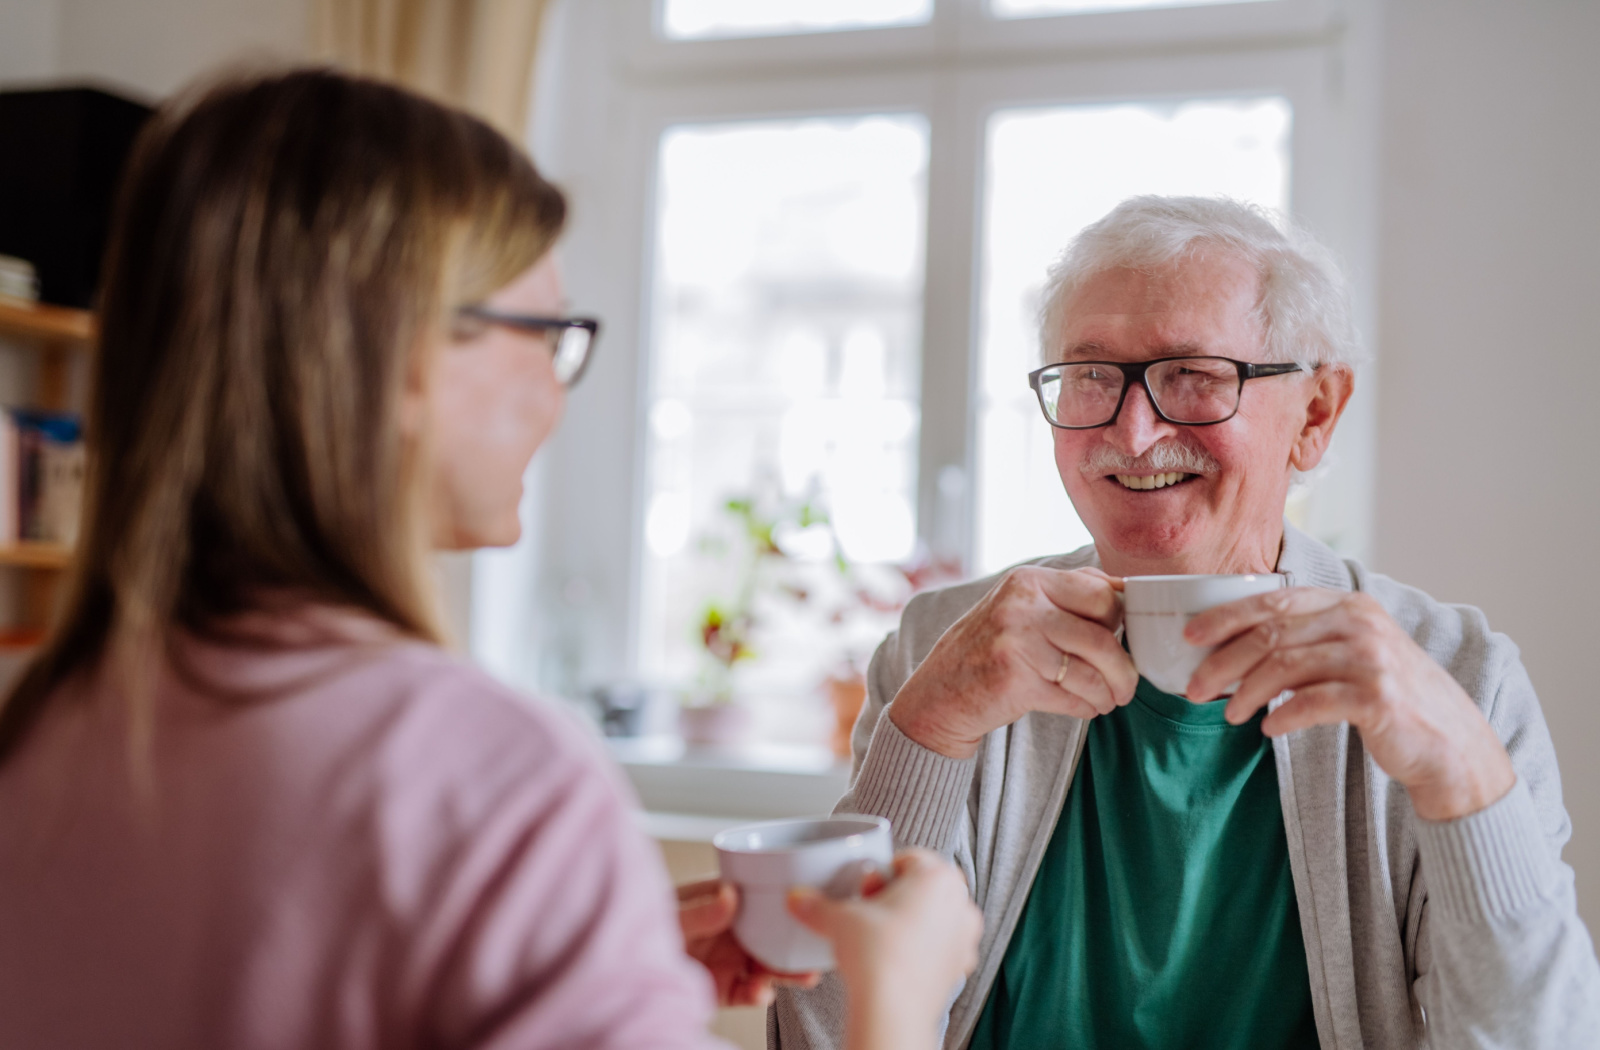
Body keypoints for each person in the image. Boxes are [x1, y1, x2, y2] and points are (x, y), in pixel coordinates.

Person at [0, 69, 979, 1050]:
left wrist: (593, 967)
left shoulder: (43, 732)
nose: (557, 394)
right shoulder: (484, 780)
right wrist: (892, 996)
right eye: (544, 334)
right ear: (399, 361)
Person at [775, 196, 1600, 1049]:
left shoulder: (1455, 677)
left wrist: (1464, 779)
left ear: (1314, 415)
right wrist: (927, 728)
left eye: (1195, 376)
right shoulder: (943, 650)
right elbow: (821, 1038)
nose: (1132, 434)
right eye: (1092, 376)